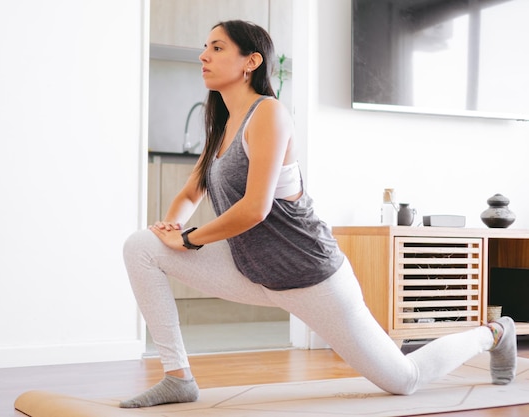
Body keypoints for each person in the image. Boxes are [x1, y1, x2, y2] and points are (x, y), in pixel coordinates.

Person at [119, 20, 517, 408]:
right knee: (142, 246)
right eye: (205, 47)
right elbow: (192, 190)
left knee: (403, 381)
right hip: (251, 269)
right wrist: (171, 226)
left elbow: (255, 209)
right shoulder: (222, 125)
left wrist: (187, 239)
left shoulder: (269, 114)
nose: (203, 55)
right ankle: (178, 378)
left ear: (251, 62)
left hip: (311, 275)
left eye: (217, 47)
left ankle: (494, 334)